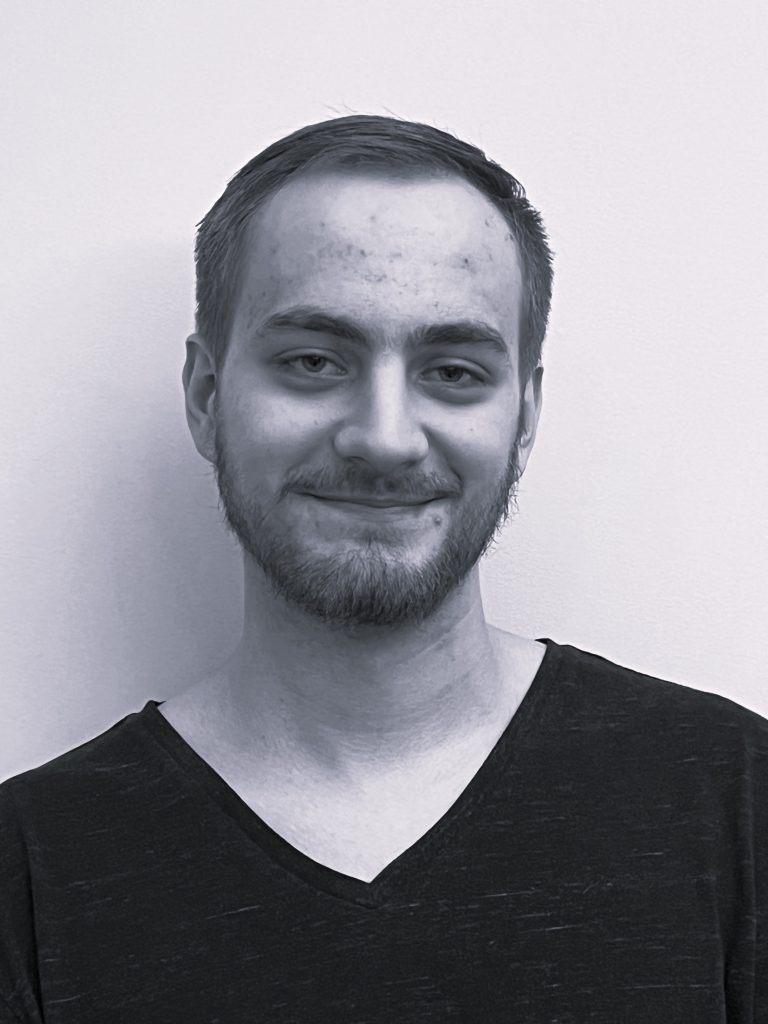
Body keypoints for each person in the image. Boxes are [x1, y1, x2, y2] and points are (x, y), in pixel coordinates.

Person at [1, 115, 765, 1023]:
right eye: (314, 361)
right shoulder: (30, 873)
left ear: (524, 418)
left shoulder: (735, 804)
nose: (385, 438)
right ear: (207, 398)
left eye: (453, 371)